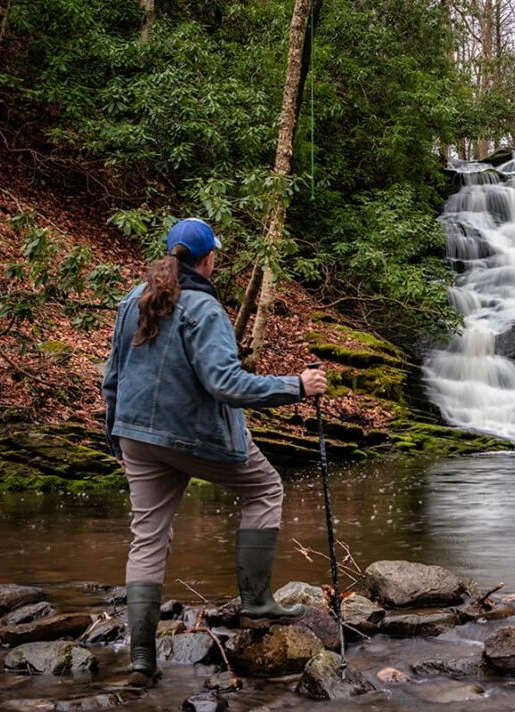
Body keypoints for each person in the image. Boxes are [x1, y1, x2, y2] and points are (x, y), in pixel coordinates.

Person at [101, 218, 327, 687]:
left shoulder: (131, 301)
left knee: (147, 538)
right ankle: (257, 601)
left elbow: (112, 376)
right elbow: (226, 384)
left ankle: (142, 659)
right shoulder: (203, 308)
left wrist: (115, 436)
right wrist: (297, 386)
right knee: (265, 487)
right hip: (194, 437)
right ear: (209, 259)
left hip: (136, 435)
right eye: (216, 255)